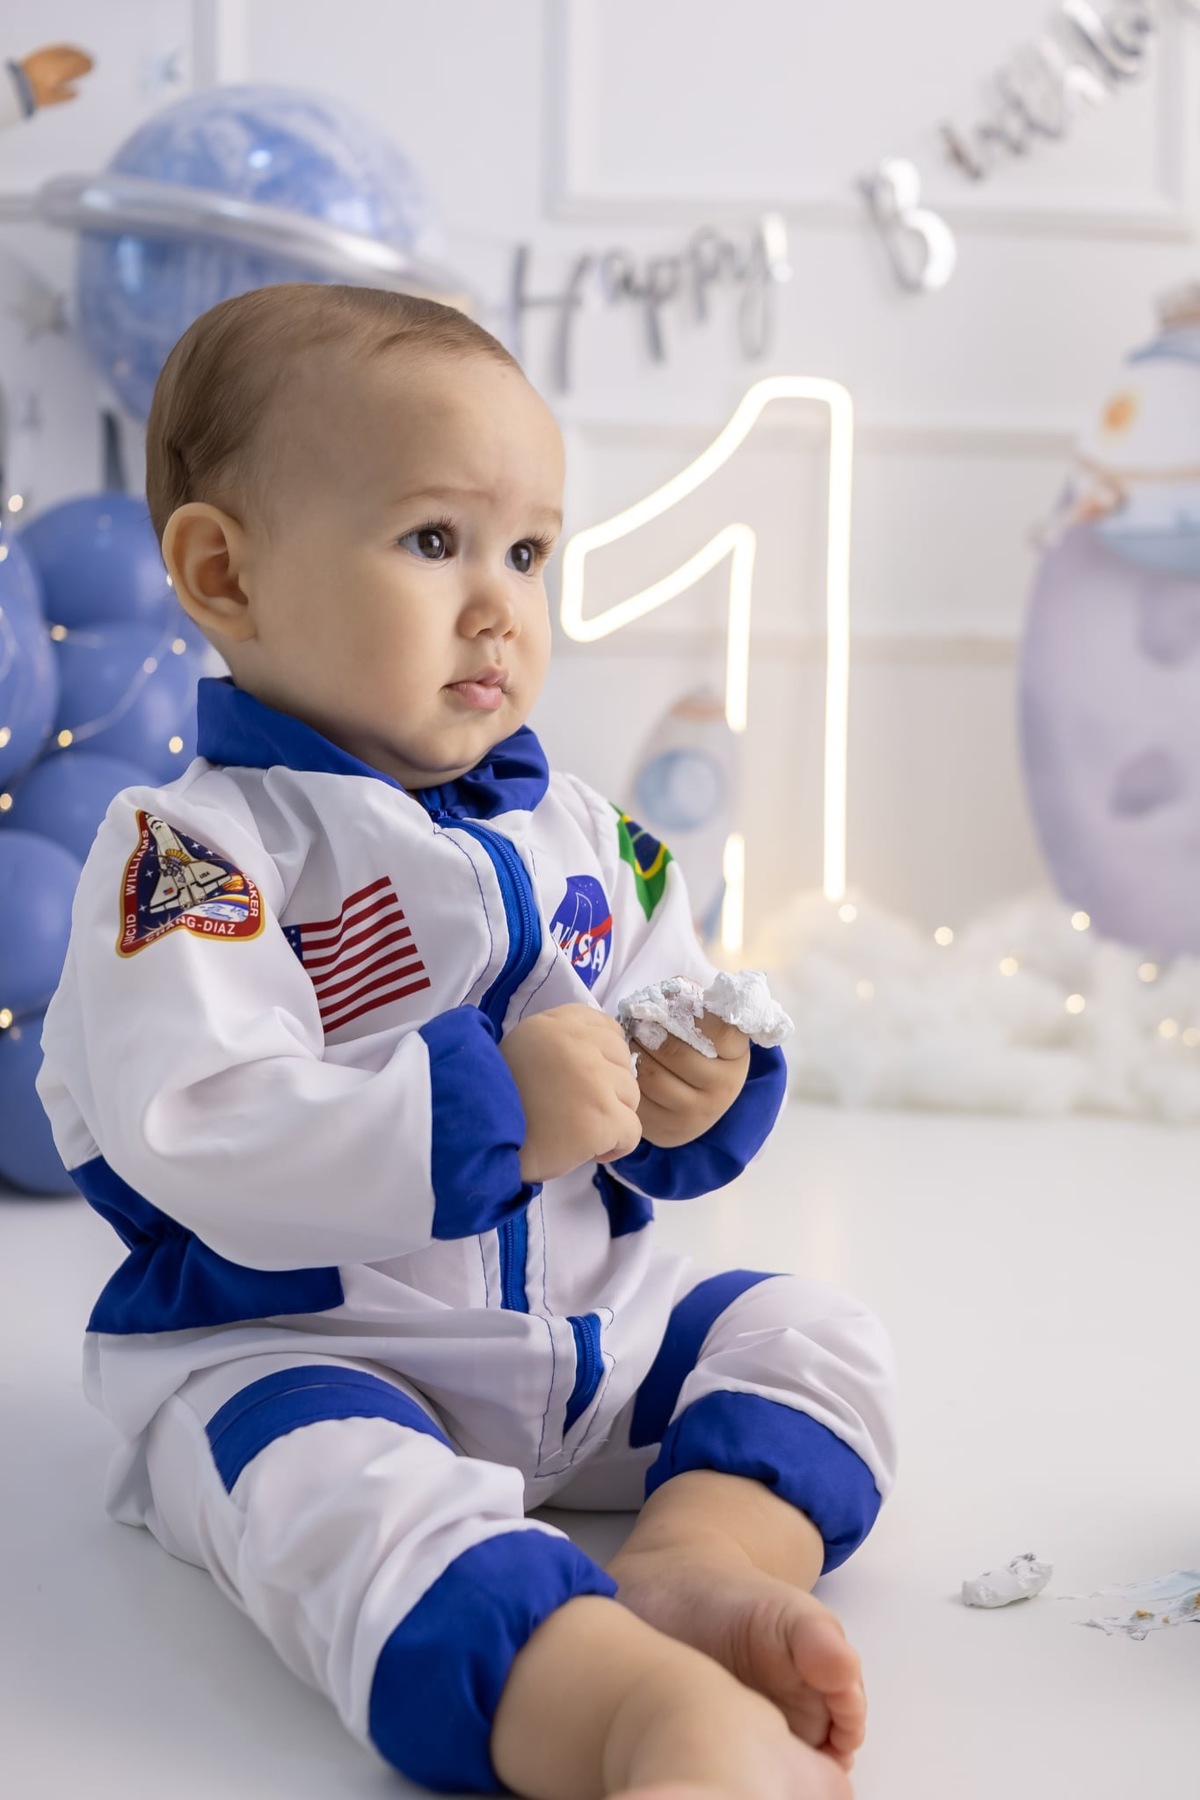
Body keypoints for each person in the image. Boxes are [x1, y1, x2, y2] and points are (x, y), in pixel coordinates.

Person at [38, 284, 897, 1800]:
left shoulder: (592, 839)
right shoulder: (196, 856)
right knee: (340, 1508)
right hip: (315, 1354)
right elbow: (195, 1122)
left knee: (813, 1337)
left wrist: (696, 1085)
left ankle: (697, 1557)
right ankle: (623, 1710)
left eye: (528, 553)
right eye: (435, 542)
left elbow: (670, 991)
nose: (499, 602)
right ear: (224, 572)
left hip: (590, 1346)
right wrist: (492, 1103)